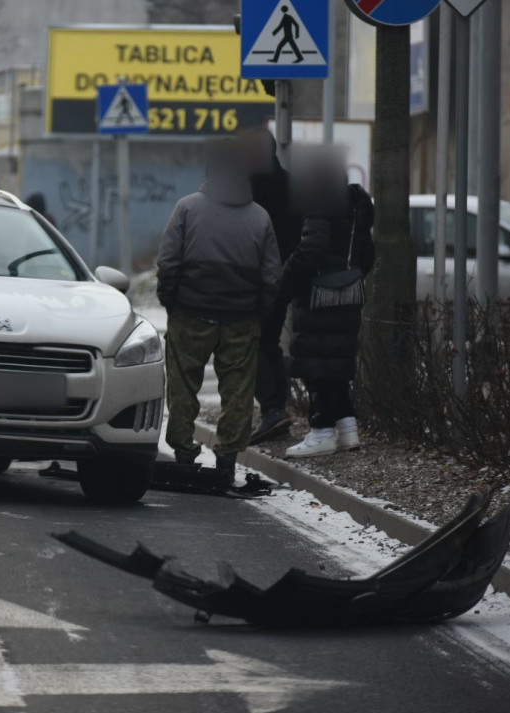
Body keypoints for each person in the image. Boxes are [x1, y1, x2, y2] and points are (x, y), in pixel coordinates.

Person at [157, 145, 281, 484]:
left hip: (190, 313)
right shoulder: (260, 216)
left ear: (209, 174)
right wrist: (258, 312)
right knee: (238, 391)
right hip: (241, 318)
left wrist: (170, 301)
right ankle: (226, 462)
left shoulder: (186, 208)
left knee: (183, 386)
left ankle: (184, 456)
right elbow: (272, 277)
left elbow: (168, 263)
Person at [281, 148, 374, 458]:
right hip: (350, 293)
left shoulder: (320, 202)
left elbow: (311, 250)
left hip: (319, 296)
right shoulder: (357, 204)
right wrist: (349, 278)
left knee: (318, 366)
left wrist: (286, 282)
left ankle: (321, 433)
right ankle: (348, 430)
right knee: (337, 363)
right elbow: (368, 253)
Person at [240, 129, 304, 444]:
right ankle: (278, 409)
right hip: (283, 279)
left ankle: (272, 410)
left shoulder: (246, 189)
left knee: (249, 345)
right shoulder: (291, 184)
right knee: (269, 343)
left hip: (254, 282)